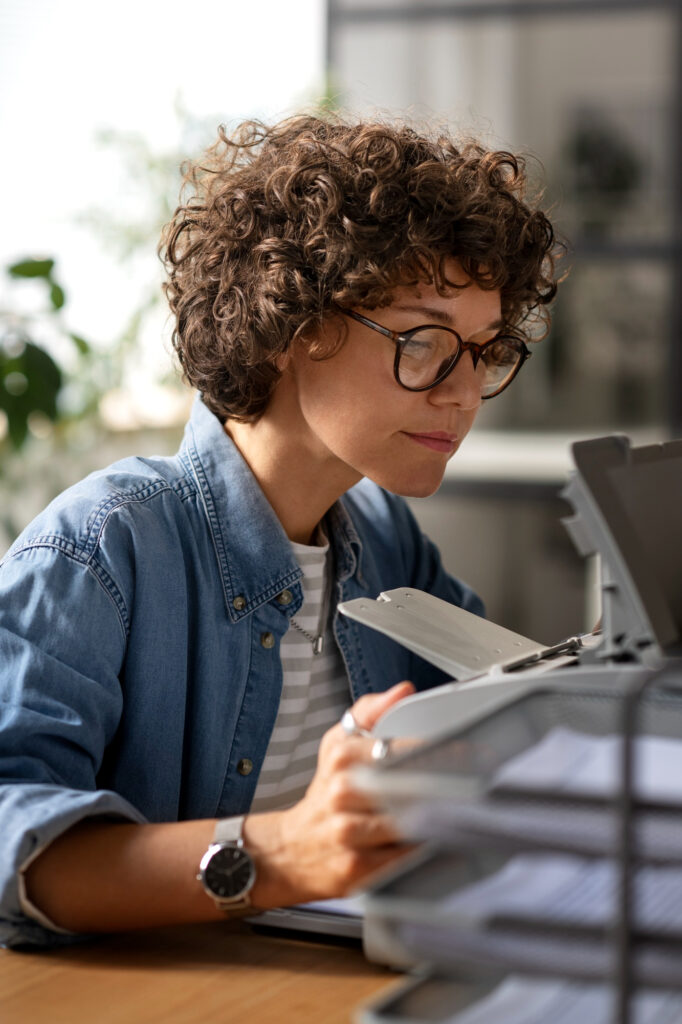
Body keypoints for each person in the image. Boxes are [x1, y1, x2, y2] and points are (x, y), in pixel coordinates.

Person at [0, 114, 560, 947]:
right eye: (425, 342)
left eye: (481, 350)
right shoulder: (102, 549)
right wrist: (283, 854)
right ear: (292, 324)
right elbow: (14, 832)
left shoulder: (383, 539)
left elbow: (496, 725)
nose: (463, 394)